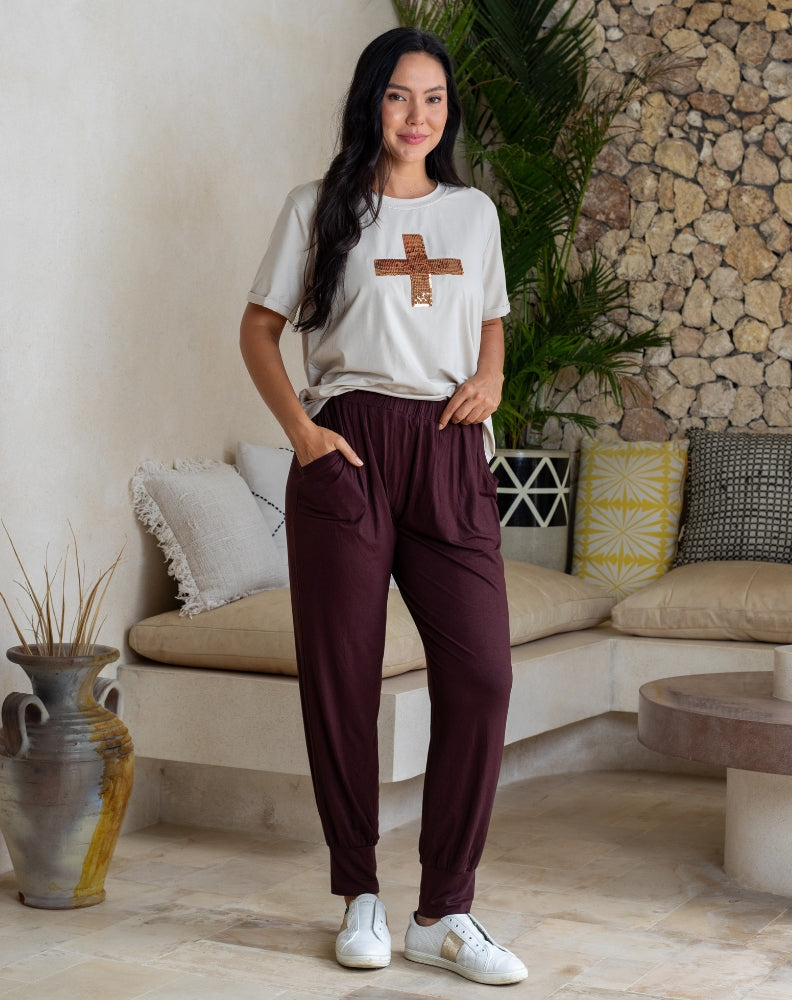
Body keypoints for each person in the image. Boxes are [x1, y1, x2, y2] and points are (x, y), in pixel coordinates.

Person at [239, 26, 527, 987]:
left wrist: (489, 376)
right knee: (343, 678)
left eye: (435, 99)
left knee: (483, 672)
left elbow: (490, 317)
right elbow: (259, 328)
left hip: (447, 450)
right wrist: (306, 437)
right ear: (372, 102)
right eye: (401, 97)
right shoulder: (318, 208)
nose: (418, 116)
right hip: (349, 444)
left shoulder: (472, 212)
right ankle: (358, 891)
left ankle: (445, 910)